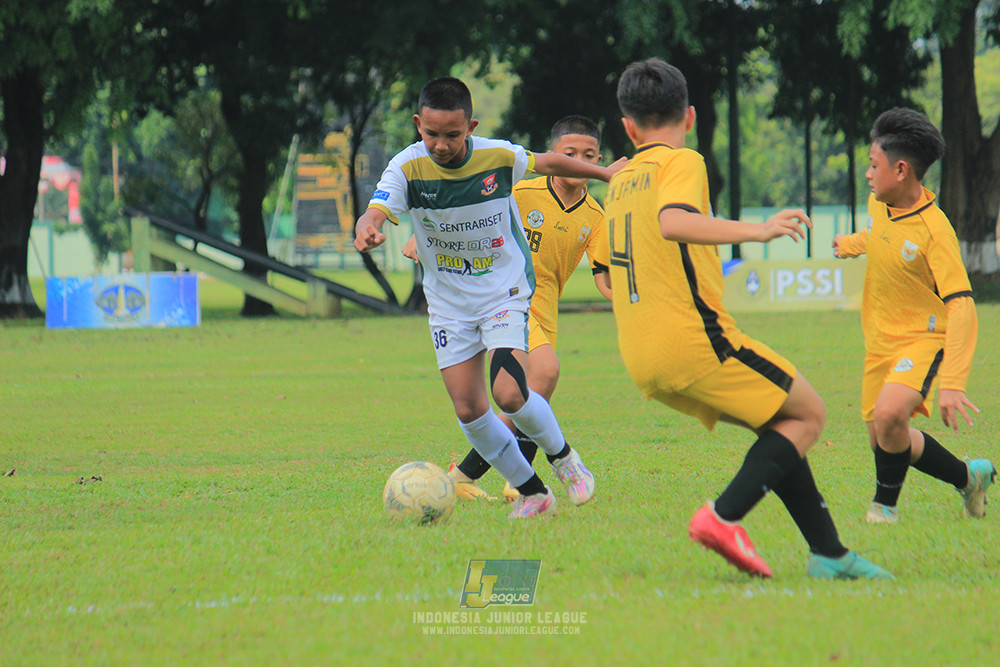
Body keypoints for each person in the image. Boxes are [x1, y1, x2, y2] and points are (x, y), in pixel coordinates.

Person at [603, 57, 891, 580]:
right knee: (809, 414)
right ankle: (721, 517)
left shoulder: (619, 183)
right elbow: (673, 223)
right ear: (689, 118)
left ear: (626, 126)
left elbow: (608, 270)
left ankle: (829, 554)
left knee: (780, 425)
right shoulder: (680, 161)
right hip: (698, 341)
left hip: (641, 354)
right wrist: (757, 232)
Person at [355, 77, 623, 519]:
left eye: (453, 135)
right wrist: (369, 224)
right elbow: (379, 206)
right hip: (447, 302)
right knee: (469, 409)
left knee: (509, 393)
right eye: (432, 134)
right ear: (419, 125)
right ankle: (534, 493)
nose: (441, 145)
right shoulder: (406, 167)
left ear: (471, 127)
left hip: (504, 290)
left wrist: (604, 173)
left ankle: (567, 461)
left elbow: (550, 161)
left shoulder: (496, 156)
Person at [436, 115, 612, 503]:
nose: (578, 161)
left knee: (526, 394)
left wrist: (632, 296)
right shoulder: (522, 191)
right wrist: (429, 243)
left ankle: (464, 476)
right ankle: (522, 481)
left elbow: (604, 277)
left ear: (597, 159)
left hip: (546, 312)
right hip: (508, 297)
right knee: (544, 373)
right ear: (555, 155)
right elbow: (471, 214)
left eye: (588, 155)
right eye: (569, 154)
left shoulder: (596, 217)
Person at [833, 107, 995, 524]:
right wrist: (850, 244)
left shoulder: (935, 231)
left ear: (901, 169)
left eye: (873, 165)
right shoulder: (879, 203)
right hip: (879, 340)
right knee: (885, 438)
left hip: (923, 338)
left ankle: (883, 507)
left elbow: (961, 303)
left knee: (890, 415)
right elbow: (879, 236)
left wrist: (954, 383)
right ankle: (969, 476)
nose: (868, 174)